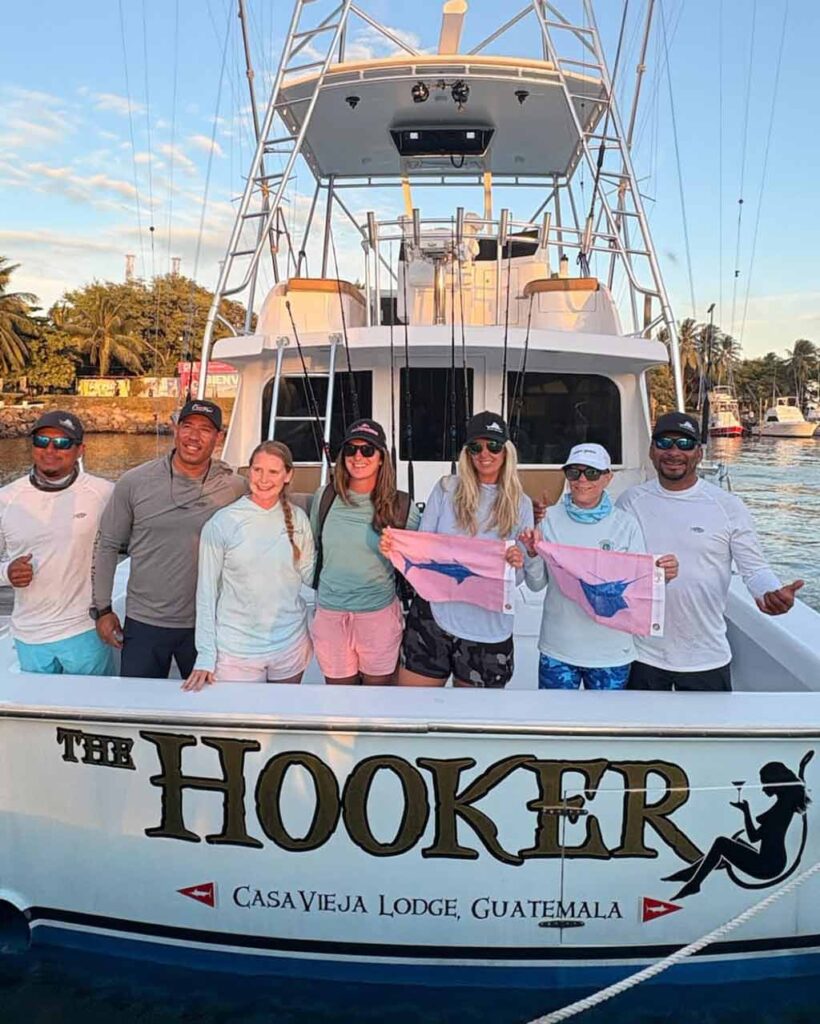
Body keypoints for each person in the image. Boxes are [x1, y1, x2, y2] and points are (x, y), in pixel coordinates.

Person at [617, 411, 803, 691]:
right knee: (645, 736)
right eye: (664, 443)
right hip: (641, 654)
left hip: (707, 657)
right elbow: (615, 567)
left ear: (699, 453)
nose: (674, 452)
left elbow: (754, 569)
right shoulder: (630, 501)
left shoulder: (728, 506)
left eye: (685, 444)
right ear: (652, 451)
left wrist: (769, 593)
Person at [91, 399, 247, 678]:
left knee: (208, 710)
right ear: (175, 429)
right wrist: (102, 609)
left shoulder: (234, 487)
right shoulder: (134, 482)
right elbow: (108, 545)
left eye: (205, 430)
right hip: (144, 622)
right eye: (187, 426)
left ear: (218, 437)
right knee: (137, 707)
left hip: (208, 623)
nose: (194, 437)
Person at [389, 411, 536, 689]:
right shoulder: (446, 489)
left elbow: (516, 580)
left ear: (507, 451)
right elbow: (423, 546)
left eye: (493, 446)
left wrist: (517, 562)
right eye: (475, 447)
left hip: (488, 627)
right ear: (466, 453)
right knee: (411, 710)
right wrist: (395, 545)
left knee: (474, 724)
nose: (484, 453)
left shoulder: (522, 504)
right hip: (433, 617)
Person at [519, 443, 678, 690]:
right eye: (574, 472)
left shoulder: (626, 525)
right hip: (558, 648)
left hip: (612, 652)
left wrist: (663, 575)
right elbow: (536, 583)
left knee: (607, 727)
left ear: (607, 477)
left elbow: (638, 588)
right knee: (557, 726)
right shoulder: (547, 519)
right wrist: (532, 553)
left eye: (592, 472)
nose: (582, 480)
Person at [183, 441, 315, 690]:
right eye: (257, 470)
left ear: (288, 475)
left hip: (290, 645)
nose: (264, 479)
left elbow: (310, 575)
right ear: (249, 471)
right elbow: (206, 593)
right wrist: (206, 654)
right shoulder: (222, 523)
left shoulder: (299, 519)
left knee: (281, 721)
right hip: (236, 651)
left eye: (273, 472)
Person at [0, 411, 114, 675]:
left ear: (80, 450)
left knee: (92, 711)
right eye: (42, 441)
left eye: (62, 443)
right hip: (29, 636)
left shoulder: (104, 493)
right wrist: (7, 572)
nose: (50, 449)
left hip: (85, 631)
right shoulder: (7, 499)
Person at [310, 418, 420, 685]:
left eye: (368, 450)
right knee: (339, 703)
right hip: (330, 615)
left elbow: (420, 562)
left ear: (381, 458)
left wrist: (398, 552)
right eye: (351, 449)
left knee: (379, 702)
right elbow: (314, 543)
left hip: (378, 616)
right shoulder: (324, 498)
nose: (358, 456)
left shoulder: (403, 506)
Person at [665, 755, 812, 899]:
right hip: (772, 860)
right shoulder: (784, 804)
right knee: (729, 848)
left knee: (721, 843)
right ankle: (691, 874)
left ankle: (694, 883)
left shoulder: (781, 809)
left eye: (764, 783)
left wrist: (746, 812)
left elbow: (754, 837)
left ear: (775, 782)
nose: (762, 788)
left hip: (767, 866)